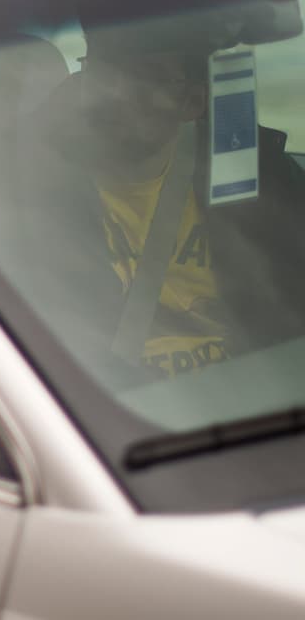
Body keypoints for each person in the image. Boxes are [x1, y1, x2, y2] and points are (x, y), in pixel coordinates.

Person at [27, 29, 305, 378]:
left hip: (257, 402)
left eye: (148, 77)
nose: (116, 92)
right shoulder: (26, 198)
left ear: (191, 102)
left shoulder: (256, 179)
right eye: (104, 69)